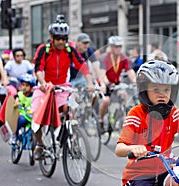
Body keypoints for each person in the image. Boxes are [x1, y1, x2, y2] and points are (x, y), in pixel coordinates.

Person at [32, 14, 94, 160]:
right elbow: (38, 69)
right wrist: (43, 83)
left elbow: (83, 66)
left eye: (64, 38)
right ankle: (40, 144)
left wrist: (90, 83)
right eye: (58, 38)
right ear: (51, 37)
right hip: (45, 87)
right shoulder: (43, 49)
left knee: (70, 110)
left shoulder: (70, 50)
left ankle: (69, 140)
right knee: (36, 117)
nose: (61, 42)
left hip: (62, 87)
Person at [98, 35, 136, 132]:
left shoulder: (123, 57)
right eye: (116, 46)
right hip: (105, 82)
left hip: (116, 82)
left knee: (124, 94)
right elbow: (102, 74)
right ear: (111, 47)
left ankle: (120, 115)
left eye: (120, 46)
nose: (118, 48)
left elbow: (130, 71)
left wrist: (135, 81)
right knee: (106, 100)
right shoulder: (104, 57)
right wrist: (107, 84)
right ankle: (101, 120)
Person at [10, 73, 36, 145]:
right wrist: (16, 103)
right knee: (21, 120)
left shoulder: (33, 96)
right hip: (22, 114)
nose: (24, 87)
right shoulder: (19, 94)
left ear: (31, 87)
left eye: (27, 85)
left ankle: (37, 143)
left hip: (31, 115)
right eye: (23, 85)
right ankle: (15, 135)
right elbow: (15, 102)